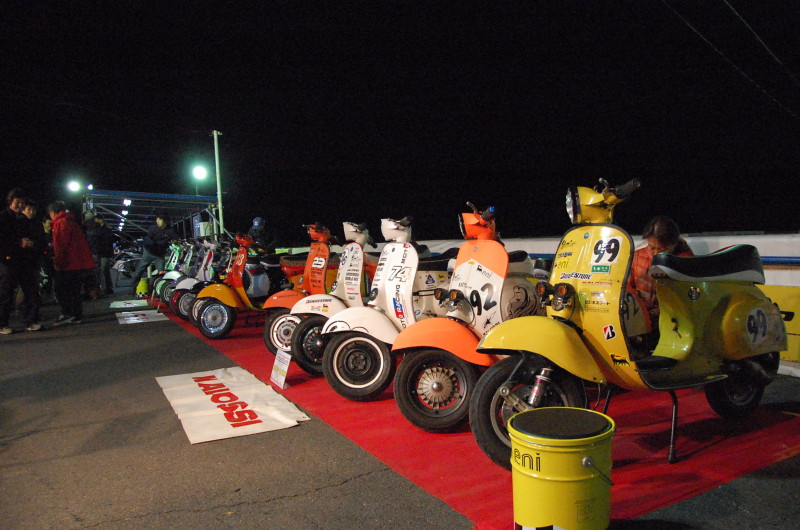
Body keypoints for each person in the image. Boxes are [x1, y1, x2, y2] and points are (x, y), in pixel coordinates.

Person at [629, 215, 694, 324]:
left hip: (670, 320)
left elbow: (688, 297)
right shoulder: (636, 256)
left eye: (662, 249)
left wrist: (661, 311)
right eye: (652, 247)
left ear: (673, 244)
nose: (656, 253)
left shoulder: (685, 260)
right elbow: (627, 288)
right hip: (640, 316)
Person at [48, 200, 96, 325]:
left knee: (62, 289)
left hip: (68, 263)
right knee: (74, 290)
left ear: (52, 213)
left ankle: (68, 313)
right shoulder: (71, 221)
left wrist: (58, 261)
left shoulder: (60, 223)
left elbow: (61, 245)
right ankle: (76, 315)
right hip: (77, 262)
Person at [1, 189, 37, 334]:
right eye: (17, 202)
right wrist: (18, 243)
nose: (20, 205)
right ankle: (3, 324)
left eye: (22, 202)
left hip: (24, 260)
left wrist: (31, 243)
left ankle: (31, 321)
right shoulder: (3, 217)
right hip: (7, 261)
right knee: (6, 293)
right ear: (10, 201)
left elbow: (30, 236)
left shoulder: (23, 219)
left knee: (31, 291)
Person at [130, 211, 177, 293]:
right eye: (157, 219)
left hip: (159, 255)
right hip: (148, 252)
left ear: (165, 221)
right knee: (138, 271)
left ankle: (159, 290)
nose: (158, 221)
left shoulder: (171, 231)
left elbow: (176, 240)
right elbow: (148, 239)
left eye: (160, 220)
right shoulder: (153, 228)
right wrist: (148, 242)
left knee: (161, 272)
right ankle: (133, 289)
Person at [87, 216, 117, 295]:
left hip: (103, 252)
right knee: (104, 270)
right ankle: (106, 287)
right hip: (102, 252)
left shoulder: (103, 230)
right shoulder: (104, 230)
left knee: (103, 270)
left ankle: (106, 288)